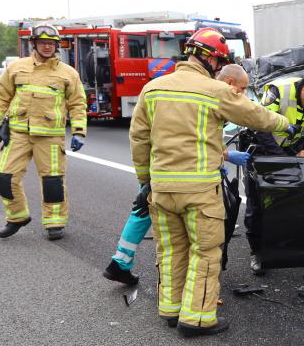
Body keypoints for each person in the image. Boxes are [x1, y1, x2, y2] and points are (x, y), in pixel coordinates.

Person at [129, 27, 291, 337]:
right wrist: (285, 124)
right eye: (219, 63)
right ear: (211, 60)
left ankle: (171, 309)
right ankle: (198, 319)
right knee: (205, 252)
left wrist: (145, 179)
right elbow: (255, 115)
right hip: (200, 190)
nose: (218, 69)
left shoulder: (154, 89)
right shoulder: (213, 91)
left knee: (171, 251)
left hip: (162, 189)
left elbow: (138, 139)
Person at [102, 64, 252, 286]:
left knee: (142, 212)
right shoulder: (206, 91)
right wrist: (227, 155)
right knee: (160, 222)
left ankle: (120, 262)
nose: (243, 94)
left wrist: (224, 156)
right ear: (230, 83)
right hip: (171, 169)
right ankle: (126, 266)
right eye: (242, 88)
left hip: (160, 165)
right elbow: (190, 138)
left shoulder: (180, 89)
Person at [0, 23, 87, 240]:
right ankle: (17, 216)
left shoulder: (68, 73)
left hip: (50, 137)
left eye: (51, 43)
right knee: (4, 177)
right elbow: (2, 96)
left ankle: (54, 223)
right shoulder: (16, 68)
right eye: (43, 43)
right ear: (34, 44)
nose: (47, 47)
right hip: (18, 134)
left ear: (56, 46)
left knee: (52, 183)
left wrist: (78, 131)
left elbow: (78, 104)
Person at [228, 75, 304, 275]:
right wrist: (280, 159)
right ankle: (257, 252)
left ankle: (293, 247)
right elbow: (259, 126)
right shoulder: (278, 91)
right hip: (262, 148)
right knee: (257, 203)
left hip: (289, 149)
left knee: (295, 199)